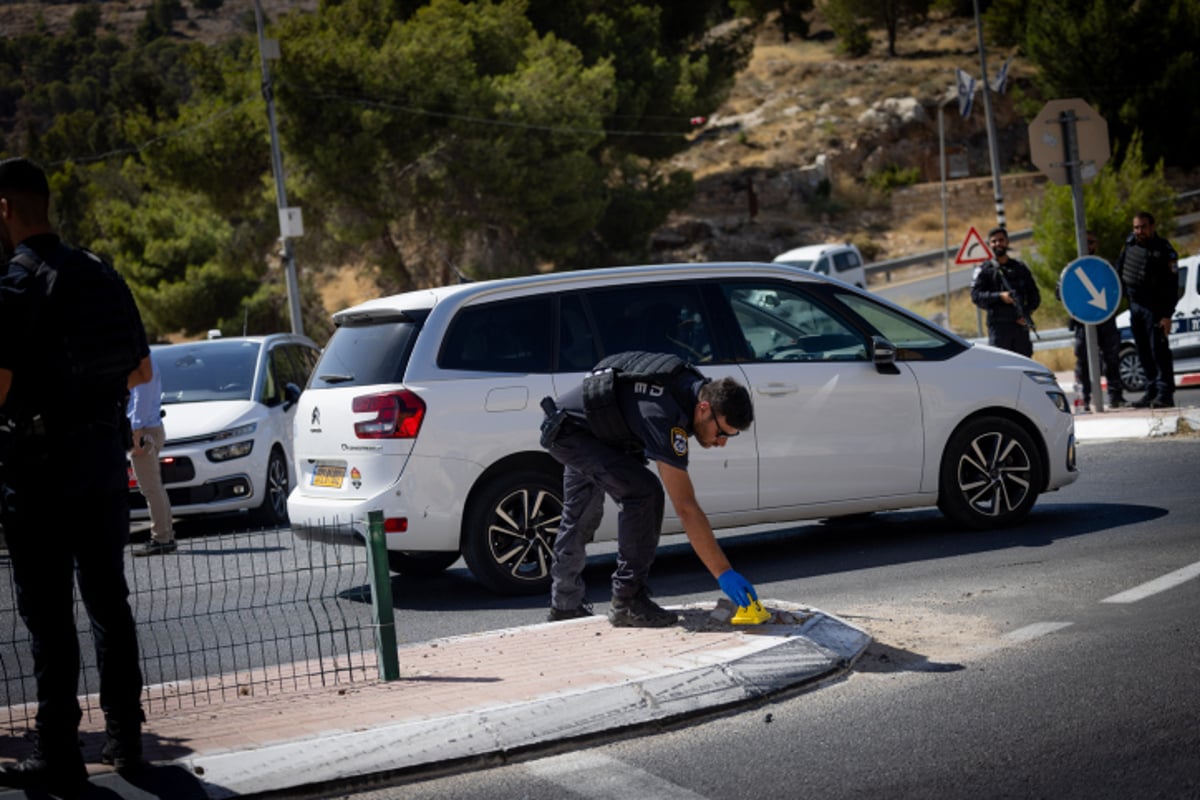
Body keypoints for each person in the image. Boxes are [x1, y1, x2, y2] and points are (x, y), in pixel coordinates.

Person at [0, 157, 153, 794]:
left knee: (50, 620)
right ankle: (125, 739)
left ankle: (59, 752)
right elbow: (141, 371)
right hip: (99, 464)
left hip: (37, 474)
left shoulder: (13, 285)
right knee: (108, 605)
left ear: (5, 210)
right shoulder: (100, 273)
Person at [539, 351, 758, 628]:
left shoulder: (693, 387)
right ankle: (627, 600)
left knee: (582, 512)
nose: (721, 443)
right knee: (644, 494)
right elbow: (686, 507)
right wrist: (724, 572)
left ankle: (564, 606)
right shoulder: (665, 413)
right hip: (572, 432)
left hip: (593, 429)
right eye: (721, 433)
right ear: (704, 408)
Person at [1115, 211, 1179, 408]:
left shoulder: (1164, 250)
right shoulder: (1130, 244)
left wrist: (1167, 315)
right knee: (1142, 351)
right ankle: (1151, 392)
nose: (1139, 231)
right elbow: (1120, 270)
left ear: (1152, 227)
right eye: (1136, 227)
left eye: (1142, 227)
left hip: (1156, 309)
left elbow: (1172, 286)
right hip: (1136, 306)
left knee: (1158, 352)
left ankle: (1165, 394)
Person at [1056, 231, 1125, 410]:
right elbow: (1060, 293)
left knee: (1111, 360)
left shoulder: (1105, 267)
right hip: (1082, 322)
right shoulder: (1071, 269)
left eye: (1091, 242)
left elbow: (1117, 289)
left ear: (1097, 244)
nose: (1088, 245)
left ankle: (1115, 397)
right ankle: (1084, 399)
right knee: (1083, 363)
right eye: (1085, 242)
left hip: (1105, 320)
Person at [128, 358, 176, 555]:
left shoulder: (141, 364)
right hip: (150, 428)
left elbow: (141, 399)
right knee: (155, 486)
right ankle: (166, 535)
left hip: (144, 430)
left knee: (151, 488)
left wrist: (135, 431)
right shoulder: (147, 362)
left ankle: (161, 538)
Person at [971, 227, 1042, 357]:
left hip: (1020, 327)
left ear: (1007, 242)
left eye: (1001, 240)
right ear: (990, 245)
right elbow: (976, 296)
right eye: (994, 241)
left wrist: (1026, 313)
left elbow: (1035, 296)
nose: (998, 244)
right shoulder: (985, 270)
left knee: (1024, 366)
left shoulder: (1020, 268)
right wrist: (999, 297)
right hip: (998, 328)